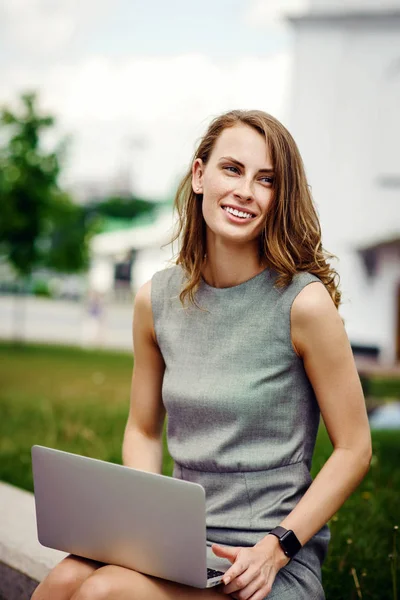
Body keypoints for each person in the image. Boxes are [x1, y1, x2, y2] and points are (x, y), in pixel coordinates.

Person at [31, 109, 372, 600]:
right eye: (231, 169)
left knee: (102, 591)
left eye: (266, 180)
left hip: (266, 564)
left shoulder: (303, 303)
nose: (245, 191)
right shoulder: (156, 299)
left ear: (279, 197)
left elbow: (355, 449)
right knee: (66, 577)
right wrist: (143, 525)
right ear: (199, 175)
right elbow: (143, 429)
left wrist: (278, 546)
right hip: (180, 546)